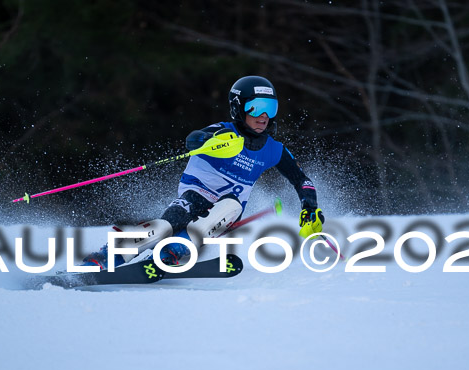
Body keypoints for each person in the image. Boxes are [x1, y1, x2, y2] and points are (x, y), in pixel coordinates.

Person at [82, 75, 324, 268]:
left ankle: (177, 250)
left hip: (228, 211)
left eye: (270, 109)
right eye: (256, 107)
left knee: (230, 204)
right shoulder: (223, 132)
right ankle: (108, 257)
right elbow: (193, 140)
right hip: (195, 194)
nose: (264, 117)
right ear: (239, 107)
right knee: (167, 225)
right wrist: (210, 141)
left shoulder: (273, 149)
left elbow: (301, 179)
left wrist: (310, 207)